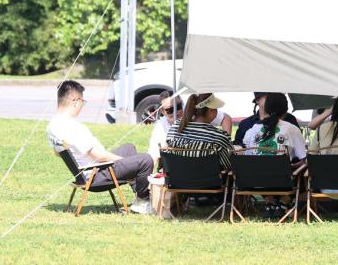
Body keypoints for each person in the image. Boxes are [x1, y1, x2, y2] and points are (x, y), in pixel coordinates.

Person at [46, 80, 154, 214]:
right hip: (95, 176)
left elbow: (58, 153)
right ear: (75, 101)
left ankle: (138, 196)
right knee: (145, 159)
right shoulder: (74, 127)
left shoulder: (52, 125)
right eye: (82, 102)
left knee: (129, 148)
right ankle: (143, 202)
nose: (82, 106)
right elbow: (100, 156)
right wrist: (124, 162)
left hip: (84, 173)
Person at [165, 93, 234, 171]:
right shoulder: (219, 137)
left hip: (177, 181)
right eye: (216, 108)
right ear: (210, 110)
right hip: (210, 182)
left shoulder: (174, 129)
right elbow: (229, 164)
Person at [241, 92, 307, 161]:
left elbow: (247, 157)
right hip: (281, 171)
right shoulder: (292, 129)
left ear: (266, 108)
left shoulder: (253, 129)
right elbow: (303, 159)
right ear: (285, 110)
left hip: (253, 170)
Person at [233, 92, 300, 146]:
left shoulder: (290, 119)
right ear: (257, 100)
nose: (273, 99)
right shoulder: (246, 124)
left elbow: (298, 145)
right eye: (268, 96)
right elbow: (237, 148)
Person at [148, 94, 183, 166]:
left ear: (182, 103)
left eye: (178, 107)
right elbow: (153, 152)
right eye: (170, 110)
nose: (175, 112)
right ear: (162, 111)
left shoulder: (193, 119)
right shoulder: (160, 126)